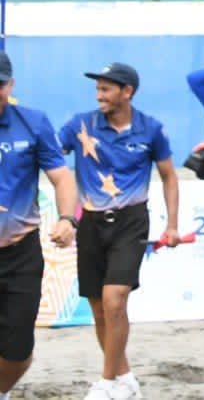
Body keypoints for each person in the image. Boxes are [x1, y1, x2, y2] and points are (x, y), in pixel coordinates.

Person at [58, 63, 180, 400]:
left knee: (115, 301)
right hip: (91, 222)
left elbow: (169, 175)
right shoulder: (80, 124)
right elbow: (51, 156)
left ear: (127, 92)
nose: (99, 96)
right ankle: (124, 376)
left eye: (106, 89)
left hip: (131, 221)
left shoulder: (151, 129)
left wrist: (172, 224)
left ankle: (107, 382)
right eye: (97, 89)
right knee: (99, 308)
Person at [0, 52, 78, 400]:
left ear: (10, 85)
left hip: (20, 255)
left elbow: (62, 178)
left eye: (0, 84)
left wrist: (66, 218)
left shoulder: (33, 122)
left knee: (18, 350)